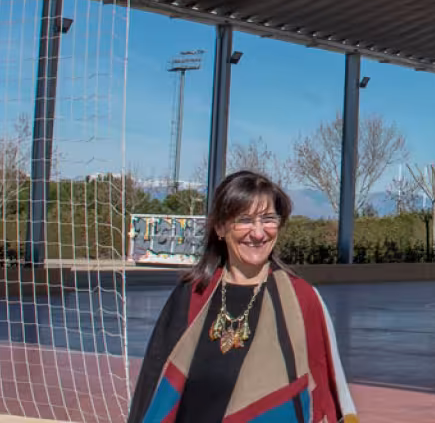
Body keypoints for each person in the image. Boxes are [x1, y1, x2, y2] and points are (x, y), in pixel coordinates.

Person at [127, 170, 358, 423]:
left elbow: (326, 392)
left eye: (268, 219)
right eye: (244, 220)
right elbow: (153, 386)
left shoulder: (302, 299)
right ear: (220, 227)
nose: (258, 233)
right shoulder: (192, 295)